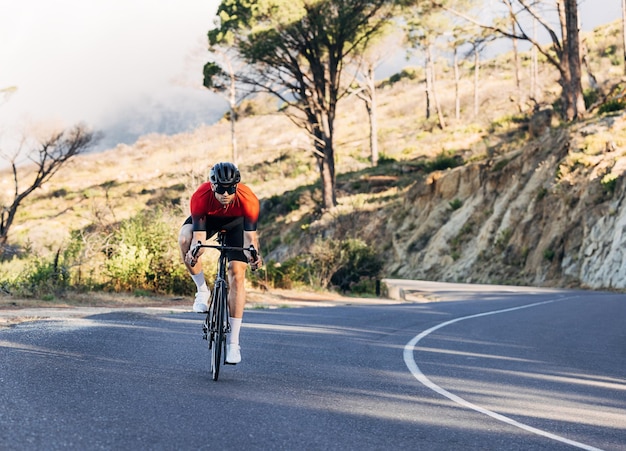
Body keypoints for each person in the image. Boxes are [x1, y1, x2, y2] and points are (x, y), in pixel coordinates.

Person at [179, 161, 262, 364]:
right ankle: (202, 290)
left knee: (236, 273)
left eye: (230, 188)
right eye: (221, 188)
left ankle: (233, 344)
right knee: (185, 239)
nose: (226, 193)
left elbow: (251, 240)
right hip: (209, 220)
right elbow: (199, 237)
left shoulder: (248, 198)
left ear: (237, 186)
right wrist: (194, 251)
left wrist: (254, 256)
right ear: (212, 185)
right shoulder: (201, 196)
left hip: (237, 224)